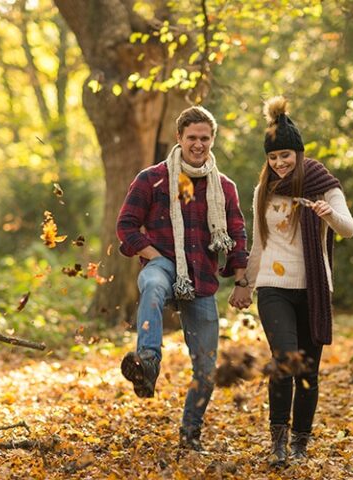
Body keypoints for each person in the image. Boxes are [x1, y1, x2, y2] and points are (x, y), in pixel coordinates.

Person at [116, 105, 251, 451]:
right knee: (152, 284)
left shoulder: (224, 187)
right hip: (162, 262)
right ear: (179, 138)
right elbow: (126, 226)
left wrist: (241, 281)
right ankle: (147, 362)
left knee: (206, 369)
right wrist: (155, 257)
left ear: (212, 139)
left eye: (204, 138)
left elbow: (236, 234)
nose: (198, 144)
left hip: (202, 278)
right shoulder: (152, 179)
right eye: (192, 137)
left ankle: (190, 434)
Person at [241, 96, 353, 467]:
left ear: (299, 153)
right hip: (274, 288)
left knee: (307, 371)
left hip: (313, 289)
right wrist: (245, 282)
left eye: (285, 155)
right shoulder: (264, 191)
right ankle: (277, 442)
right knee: (285, 361)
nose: (279, 163)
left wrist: (328, 213)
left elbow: (349, 228)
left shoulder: (323, 185)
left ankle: (300, 445)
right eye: (273, 158)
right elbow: (258, 241)